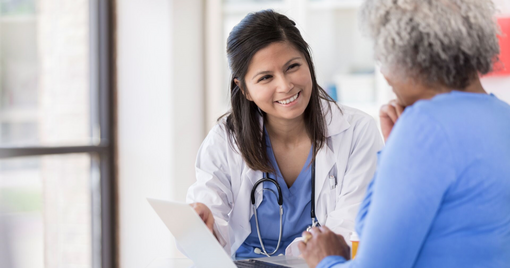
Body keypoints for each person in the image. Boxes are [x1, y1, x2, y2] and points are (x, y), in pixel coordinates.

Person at [298, 0, 510, 267]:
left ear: (408, 57)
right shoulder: (503, 117)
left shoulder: (425, 128)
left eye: (383, 57)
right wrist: (395, 148)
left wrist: (325, 259)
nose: (385, 74)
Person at [186, 10, 383, 259]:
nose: (285, 85)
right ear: (244, 89)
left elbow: (351, 225)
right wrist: (203, 226)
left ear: (308, 62)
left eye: (292, 67)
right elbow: (208, 216)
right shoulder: (224, 141)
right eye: (266, 77)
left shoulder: (357, 131)